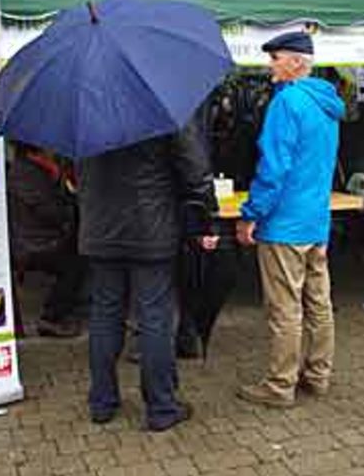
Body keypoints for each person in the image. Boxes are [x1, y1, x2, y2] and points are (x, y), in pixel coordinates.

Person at [78, 117, 217, 431]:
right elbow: (195, 170)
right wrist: (206, 217)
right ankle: (161, 406)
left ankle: (102, 403)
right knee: (155, 317)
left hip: (100, 230)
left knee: (104, 314)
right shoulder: (164, 107)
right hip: (151, 230)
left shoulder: (86, 113)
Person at [235, 31, 344, 409]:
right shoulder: (327, 105)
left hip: (285, 224)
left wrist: (251, 215)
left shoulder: (288, 102)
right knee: (319, 302)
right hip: (316, 220)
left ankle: (280, 384)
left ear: (296, 61)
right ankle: (318, 375)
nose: (270, 65)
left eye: (275, 57)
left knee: (285, 308)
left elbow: (274, 167)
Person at [7, 142, 86, 338]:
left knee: (79, 250)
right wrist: (68, 194)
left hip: (38, 237)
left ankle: (66, 309)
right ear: (39, 149)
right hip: (33, 244)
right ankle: (51, 317)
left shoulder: (34, 170)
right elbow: (53, 213)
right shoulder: (27, 174)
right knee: (76, 262)